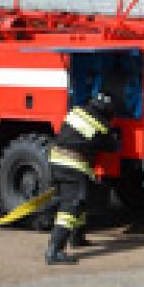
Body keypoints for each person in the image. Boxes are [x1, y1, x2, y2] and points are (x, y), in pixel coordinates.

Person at [45, 93, 118, 265]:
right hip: (72, 165)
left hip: (56, 159)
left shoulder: (76, 111)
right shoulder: (102, 126)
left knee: (82, 200)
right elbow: (113, 147)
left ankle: (77, 238)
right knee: (72, 205)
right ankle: (54, 251)